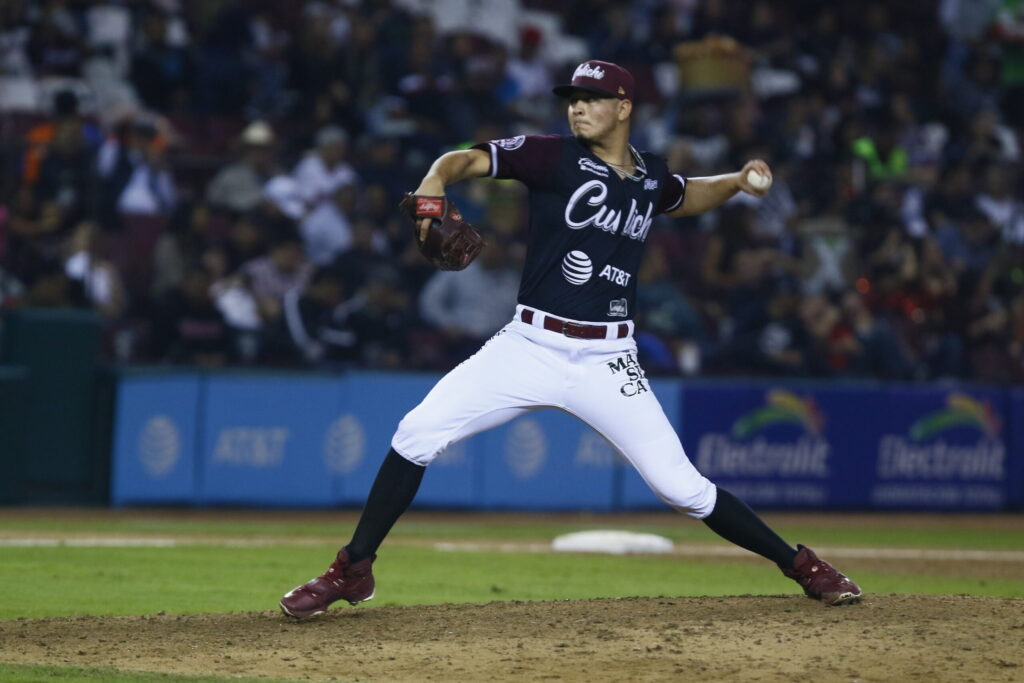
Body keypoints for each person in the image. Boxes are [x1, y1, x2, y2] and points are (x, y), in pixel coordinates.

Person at [280, 61, 862, 618]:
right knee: (416, 433)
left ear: (624, 107)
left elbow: (684, 195)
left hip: (609, 358)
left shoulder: (650, 174)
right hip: (527, 345)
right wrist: (433, 183)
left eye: (592, 99)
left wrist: (735, 181)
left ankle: (802, 565)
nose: (578, 108)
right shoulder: (550, 156)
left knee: (683, 489)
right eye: (573, 99)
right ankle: (353, 568)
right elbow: (464, 160)